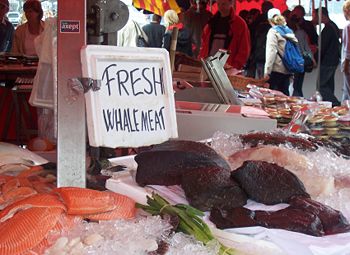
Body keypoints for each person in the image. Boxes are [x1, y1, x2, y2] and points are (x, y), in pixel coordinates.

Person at [199, 0, 250, 70]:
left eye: (223, 4)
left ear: (231, 3)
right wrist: (201, 60)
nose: (220, 7)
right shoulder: (211, 22)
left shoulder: (240, 24)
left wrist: (235, 66)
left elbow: (244, 48)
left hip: (228, 68)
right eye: (218, 4)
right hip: (209, 66)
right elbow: (204, 44)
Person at [264, 8, 296, 96]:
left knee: (274, 96)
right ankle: (286, 110)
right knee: (285, 94)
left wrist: (267, 72)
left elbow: (271, 52)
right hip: (288, 68)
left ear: (269, 20)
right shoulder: (288, 30)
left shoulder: (273, 32)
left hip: (276, 69)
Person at [313, 7, 341, 106]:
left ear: (321, 16)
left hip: (327, 61)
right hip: (333, 60)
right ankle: (330, 105)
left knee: (320, 85)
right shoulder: (333, 26)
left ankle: (335, 103)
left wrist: (315, 58)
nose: (314, 18)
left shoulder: (328, 29)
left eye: (315, 16)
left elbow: (322, 47)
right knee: (329, 85)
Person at [288, 14, 315, 97]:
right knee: (298, 85)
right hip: (301, 60)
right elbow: (306, 48)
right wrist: (313, 59)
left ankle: (296, 100)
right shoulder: (302, 33)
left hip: (293, 60)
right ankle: (299, 100)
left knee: (295, 84)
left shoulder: (289, 34)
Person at [246, 1, 273, 78]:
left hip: (259, 53)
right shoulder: (274, 19)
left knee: (260, 77)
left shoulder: (258, 20)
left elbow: (252, 34)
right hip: (265, 53)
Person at [342, 0, 350, 102]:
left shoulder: (348, 27)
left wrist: (346, 65)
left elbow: (348, 48)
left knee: (348, 92)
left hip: (349, 64)